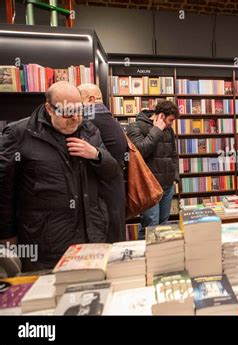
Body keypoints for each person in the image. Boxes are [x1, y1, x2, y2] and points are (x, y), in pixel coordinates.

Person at [0, 81, 118, 271]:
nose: (74, 119)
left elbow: (112, 173)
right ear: (50, 108)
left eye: (79, 111)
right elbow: (4, 189)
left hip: (90, 236)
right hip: (46, 243)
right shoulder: (18, 133)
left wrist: (97, 155)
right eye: (67, 113)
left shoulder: (90, 130)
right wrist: (7, 234)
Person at [78, 83, 128, 243]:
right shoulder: (109, 119)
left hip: (103, 194)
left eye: (79, 100)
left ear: (91, 99)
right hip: (114, 190)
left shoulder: (91, 119)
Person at [126, 100, 179, 238]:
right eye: (170, 120)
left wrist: (175, 177)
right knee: (151, 224)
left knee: (162, 224)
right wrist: (156, 130)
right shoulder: (135, 127)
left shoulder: (169, 130)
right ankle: (146, 256)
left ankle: (160, 255)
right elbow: (140, 151)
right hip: (148, 186)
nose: (171, 124)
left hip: (167, 185)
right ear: (161, 116)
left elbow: (173, 154)